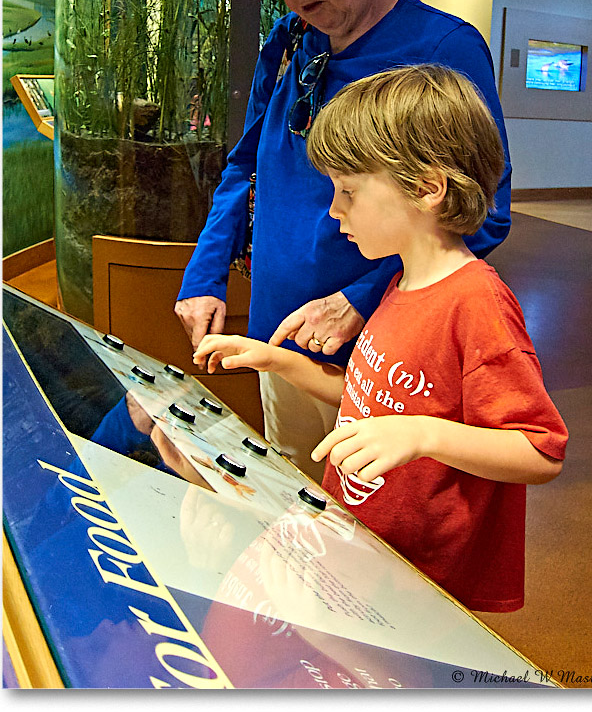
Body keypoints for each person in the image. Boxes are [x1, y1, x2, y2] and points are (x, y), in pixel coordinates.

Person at [175, 0, 513, 480]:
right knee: (298, 504)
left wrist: (360, 299)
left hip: (382, 348)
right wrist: (205, 272)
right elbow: (246, 161)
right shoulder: (287, 45)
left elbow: (483, 210)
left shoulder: (442, 48)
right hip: (278, 335)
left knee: (375, 531)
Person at [192, 64, 568, 613]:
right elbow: (372, 398)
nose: (334, 209)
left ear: (427, 189)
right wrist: (276, 361)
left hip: (424, 583)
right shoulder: (401, 280)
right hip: (364, 552)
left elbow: (540, 449)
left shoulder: (477, 304)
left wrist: (423, 436)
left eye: (348, 191)